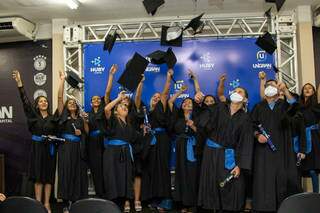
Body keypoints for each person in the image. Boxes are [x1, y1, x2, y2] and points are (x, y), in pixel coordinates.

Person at [198, 87, 254, 213]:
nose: (236, 93)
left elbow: (246, 143)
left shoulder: (245, 119)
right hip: (211, 154)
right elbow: (203, 123)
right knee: (211, 187)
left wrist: (239, 165)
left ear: (245, 99)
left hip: (230, 156)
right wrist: (199, 104)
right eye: (235, 91)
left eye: (240, 91)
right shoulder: (218, 108)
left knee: (232, 187)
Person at [251, 79, 302, 212]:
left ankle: (283, 207)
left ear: (278, 90)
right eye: (268, 86)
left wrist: (285, 90)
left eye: (273, 86)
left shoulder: (283, 105)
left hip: (282, 148)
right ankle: (264, 207)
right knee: (264, 177)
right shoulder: (258, 107)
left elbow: (295, 108)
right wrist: (257, 135)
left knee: (282, 176)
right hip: (263, 150)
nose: (270, 88)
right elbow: (251, 125)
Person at [12, 70, 58, 213]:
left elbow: (61, 104)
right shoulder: (33, 115)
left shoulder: (53, 118)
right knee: (38, 177)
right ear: (37, 105)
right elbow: (25, 100)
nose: (43, 102)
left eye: (45, 101)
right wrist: (20, 83)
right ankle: (38, 205)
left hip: (49, 149)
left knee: (49, 177)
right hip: (37, 148)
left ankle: (47, 204)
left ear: (48, 104)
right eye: (40, 101)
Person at [103, 91, 143, 212]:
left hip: (125, 154)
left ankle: (121, 205)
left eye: (125, 106)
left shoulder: (129, 126)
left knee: (124, 180)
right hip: (112, 154)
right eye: (121, 106)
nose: (124, 107)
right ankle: (112, 207)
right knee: (113, 179)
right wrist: (118, 98)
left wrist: (144, 132)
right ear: (116, 111)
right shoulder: (113, 120)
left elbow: (137, 138)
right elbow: (106, 109)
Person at [141, 69, 173, 211]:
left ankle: (165, 201)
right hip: (150, 141)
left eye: (158, 96)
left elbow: (165, 93)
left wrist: (168, 78)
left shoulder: (162, 106)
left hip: (162, 139)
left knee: (162, 168)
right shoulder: (147, 112)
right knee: (152, 169)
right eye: (154, 96)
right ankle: (154, 199)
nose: (156, 97)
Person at [85, 64, 118, 198]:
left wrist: (111, 75)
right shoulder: (87, 114)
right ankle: (100, 196)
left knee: (107, 170)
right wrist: (85, 122)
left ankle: (109, 196)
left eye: (98, 99)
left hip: (104, 142)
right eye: (94, 99)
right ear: (91, 103)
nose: (97, 100)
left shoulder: (105, 110)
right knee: (96, 171)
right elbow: (86, 132)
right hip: (92, 144)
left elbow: (108, 92)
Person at [57, 71, 88, 213]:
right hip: (66, 148)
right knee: (66, 173)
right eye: (69, 102)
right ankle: (66, 202)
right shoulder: (63, 116)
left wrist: (82, 129)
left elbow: (87, 131)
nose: (72, 103)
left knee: (78, 174)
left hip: (79, 148)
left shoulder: (81, 118)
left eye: (74, 102)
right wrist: (62, 80)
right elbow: (59, 97)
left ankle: (77, 202)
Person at [168, 85, 200, 213]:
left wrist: (193, 126)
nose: (187, 103)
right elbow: (170, 101)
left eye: (190, 102)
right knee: (179, 175)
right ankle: (182, 204)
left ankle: (192, 203)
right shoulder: (177, 117)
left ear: (194, 106)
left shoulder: (198, 118)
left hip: (191, 149)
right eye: (184, 102)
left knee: (192, 174)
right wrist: (180, 91)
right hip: (178, 149)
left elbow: (202, 133)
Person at [298, 83, 320, 193]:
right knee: (300, 169)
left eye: (309, 88)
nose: (307, 90)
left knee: (313, 169)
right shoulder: (298, 106)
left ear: (313, 92)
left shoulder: (317, 106)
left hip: (314, 138)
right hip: (300, 139)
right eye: (305, 88)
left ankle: (316, 195)